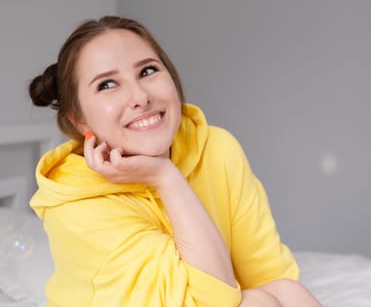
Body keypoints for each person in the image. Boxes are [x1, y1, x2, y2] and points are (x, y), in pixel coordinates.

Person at [28, 16, 323, 307]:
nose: (140, 97)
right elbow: (213, 301)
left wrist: (163, 174)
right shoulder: (74, 207)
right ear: (78, 119)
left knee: (285, 292)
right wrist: (166, 178)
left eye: (147, 71)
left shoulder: (217, 150)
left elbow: (267, 274)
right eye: (107, 85)